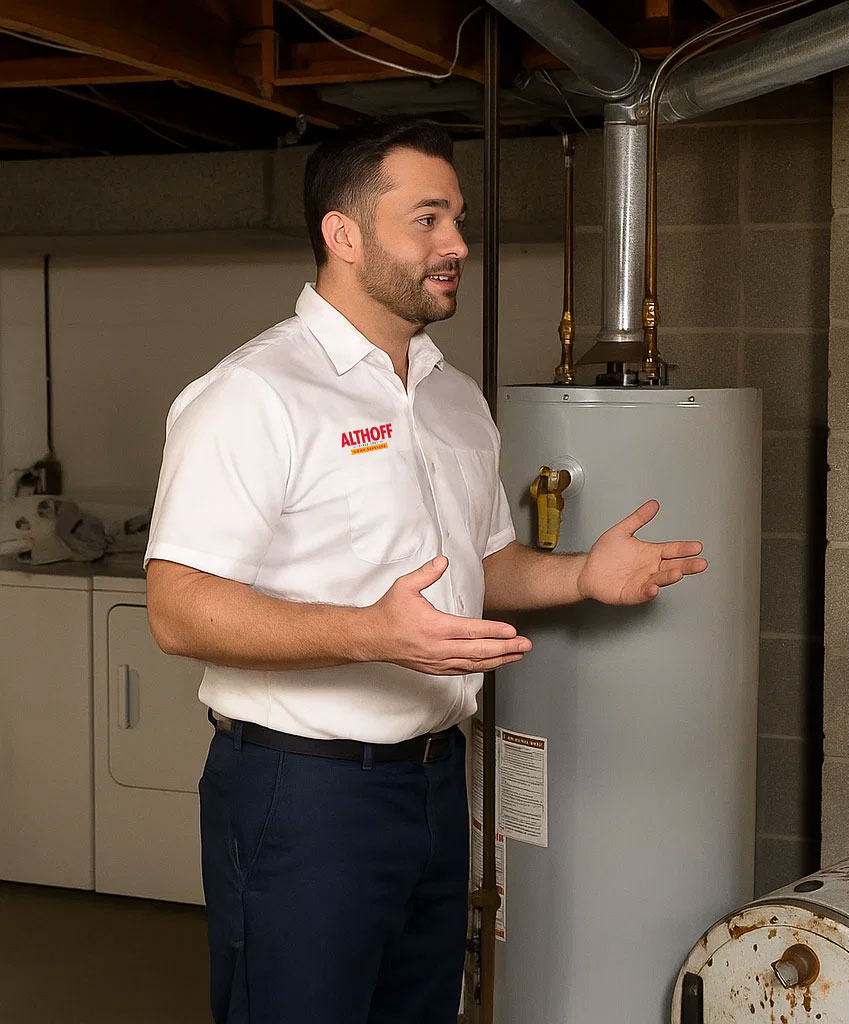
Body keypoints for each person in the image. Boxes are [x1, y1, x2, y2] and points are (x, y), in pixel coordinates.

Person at [144, 117, 707, 1024]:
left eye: (458, 220)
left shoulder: (452, 397)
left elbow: (481, 565)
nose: (456, 245)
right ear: (343, 233)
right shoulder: (255, 394)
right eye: (428, 219)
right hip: (303, 794)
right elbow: (177, 610)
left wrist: (579, 577)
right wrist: (370, 633)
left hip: (438, 783)